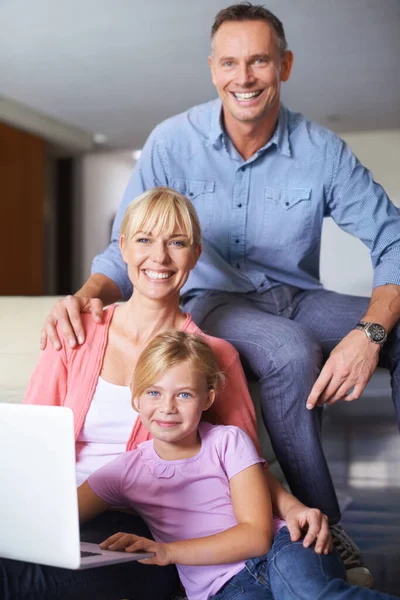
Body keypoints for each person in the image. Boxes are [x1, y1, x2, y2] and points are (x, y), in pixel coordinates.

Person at [40, 3, 400, 584]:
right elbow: (123, 248)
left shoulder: (321, 150)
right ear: (213, 69)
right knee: (287, 350)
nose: (245, 76)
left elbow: (394, 239)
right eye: (230, 62)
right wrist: (86, 295)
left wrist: (370, 333)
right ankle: (324, 526)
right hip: (217, 299)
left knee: (396, 324)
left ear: (284, 65)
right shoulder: (172, 142)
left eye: (259, 60)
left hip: (297, 292)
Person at [0, 188, 330, 600]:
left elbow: (244, 462)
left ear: (195, 254)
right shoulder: (73, 332)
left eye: (176, 242)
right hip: (57, 509)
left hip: (142, 523)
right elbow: (30, 441)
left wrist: (293, 506)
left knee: (22, 583)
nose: (159, 257)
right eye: (144, 240)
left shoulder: (214, 355)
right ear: (122, 248)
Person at [79, 330, 398, 600]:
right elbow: (63, 515)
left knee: (309, 592)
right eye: (153, 392)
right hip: (222, 588)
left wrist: (168, 551)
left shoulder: (227, 441)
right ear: (136, 398)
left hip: (282, 548)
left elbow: (256, 537)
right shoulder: (124, 471)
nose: (167, 407)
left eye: (185, 395)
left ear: (207, 400)